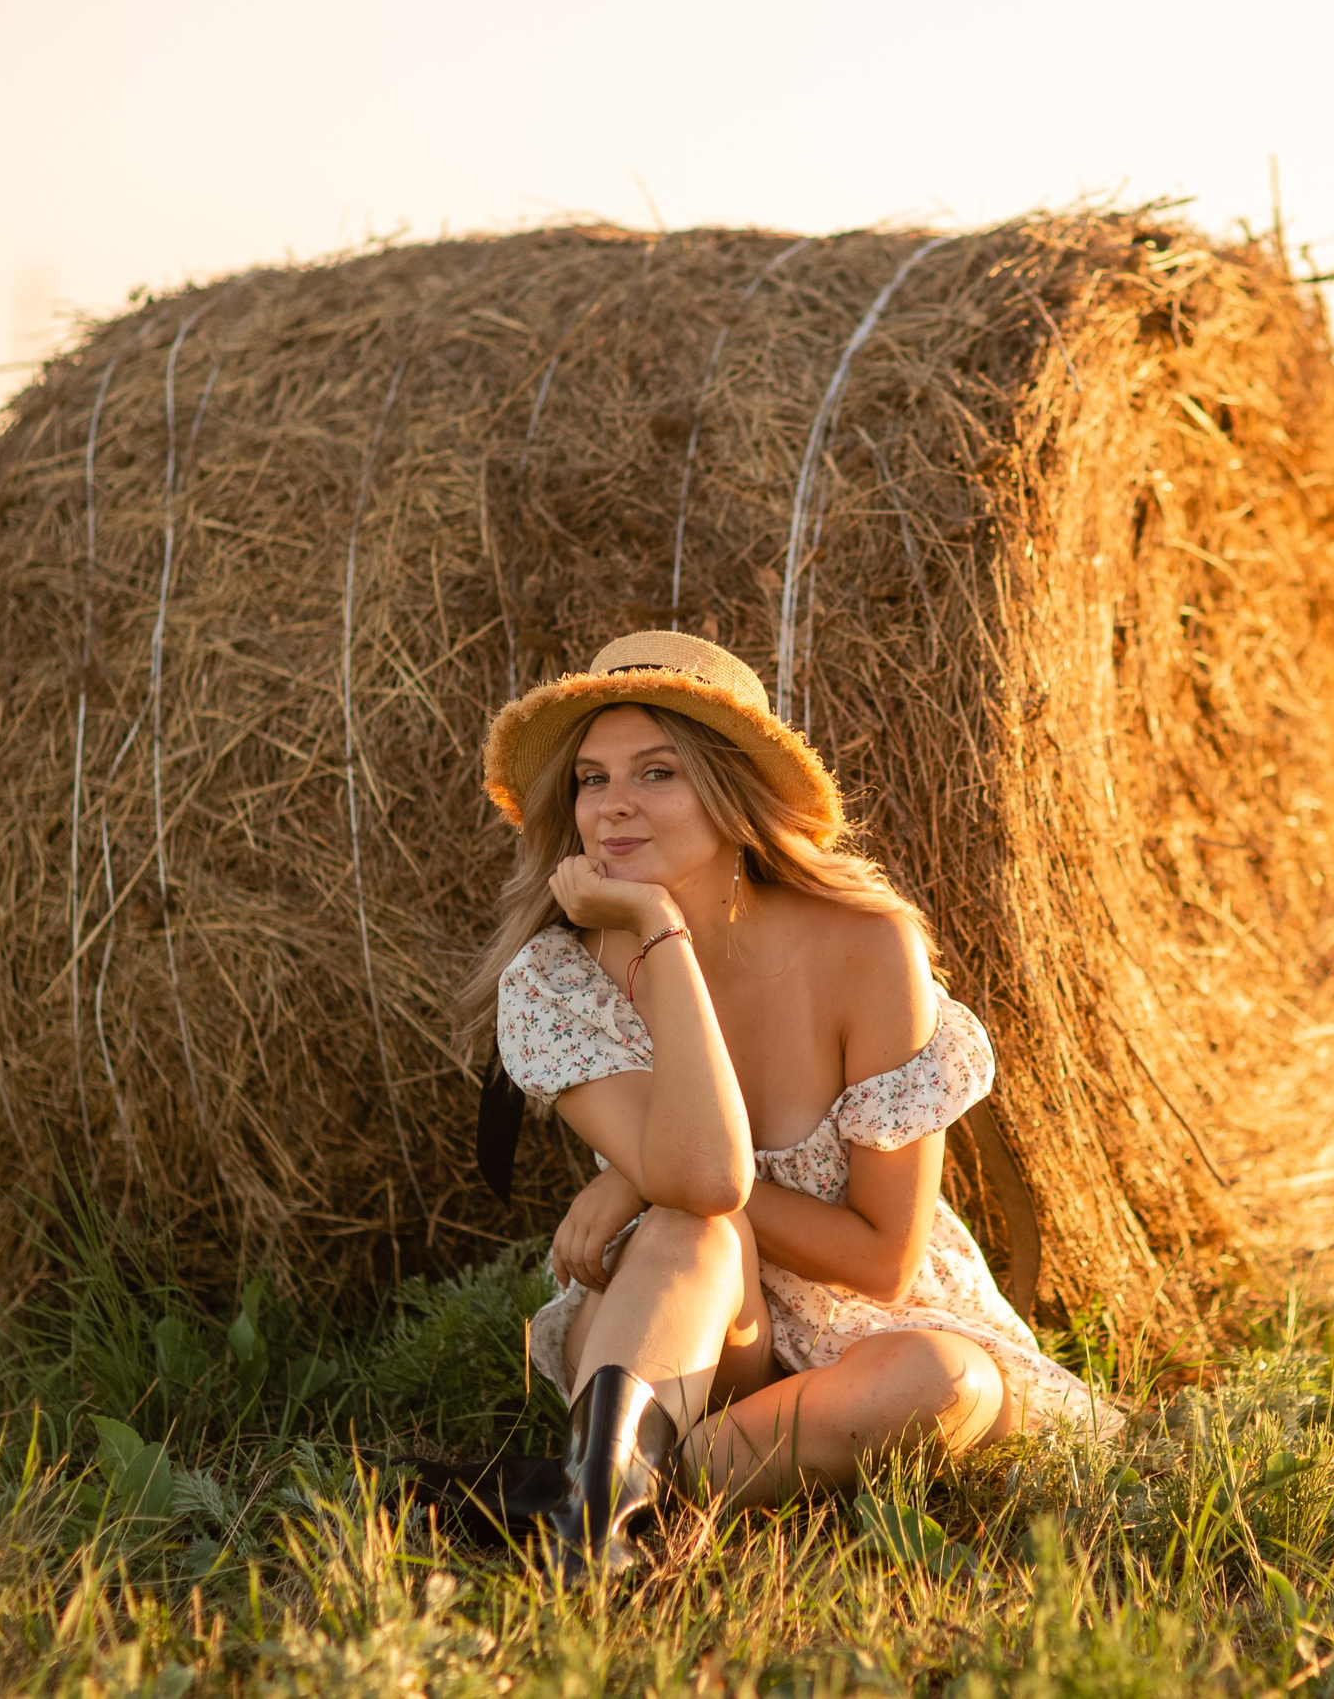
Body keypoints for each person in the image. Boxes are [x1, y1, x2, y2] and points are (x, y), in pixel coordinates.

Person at [452, 629, 1115, 1586]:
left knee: (941, 1381)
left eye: (657, 771)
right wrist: (660, 935)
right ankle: (599, 1541)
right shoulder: (558, 977)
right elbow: (707, 1183)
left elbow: (883, 1258)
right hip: (680, 1324)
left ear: (730, 789)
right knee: (694, 1228)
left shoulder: (868, 945)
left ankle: (595, 1490)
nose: (613, 806)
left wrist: (639, 1177)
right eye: (591, 780)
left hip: (866, 1330)